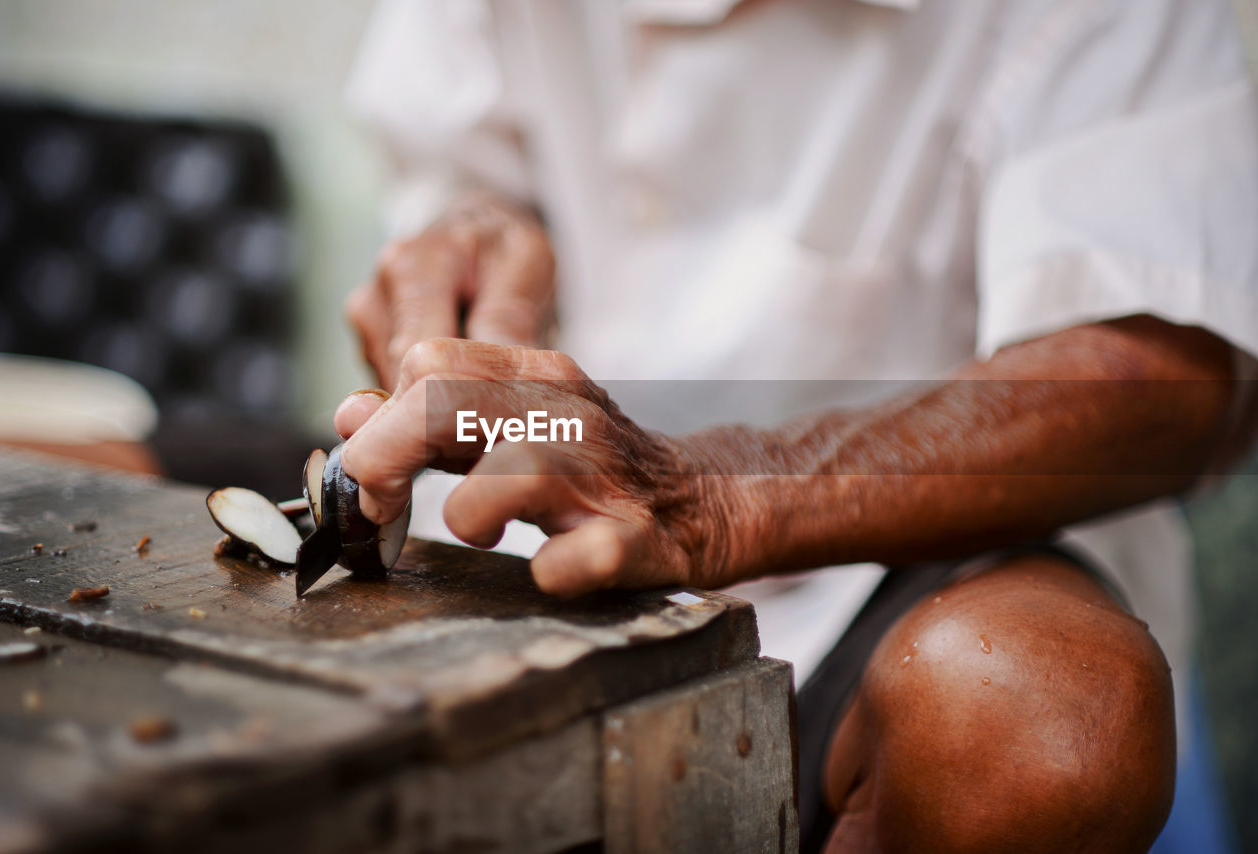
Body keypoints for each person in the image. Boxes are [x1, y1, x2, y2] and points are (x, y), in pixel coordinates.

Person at [336, 0, 1258, 850]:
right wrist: (480, 245)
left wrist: (718, 493)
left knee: (1041, 719)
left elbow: (1162, 382)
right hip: (551, 535)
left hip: (927, 569)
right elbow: (465, 169)